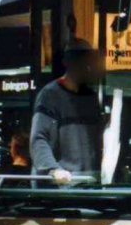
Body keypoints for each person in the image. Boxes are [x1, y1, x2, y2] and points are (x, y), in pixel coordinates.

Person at [30, 38, 104, 185]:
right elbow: (38, 138)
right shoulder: (50, 96)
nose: (88, 67)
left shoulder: (90, 98)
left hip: (88, 184)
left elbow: (98, 141)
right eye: (83, 62)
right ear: (69, 63)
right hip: (61, 188)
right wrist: (53, 170)